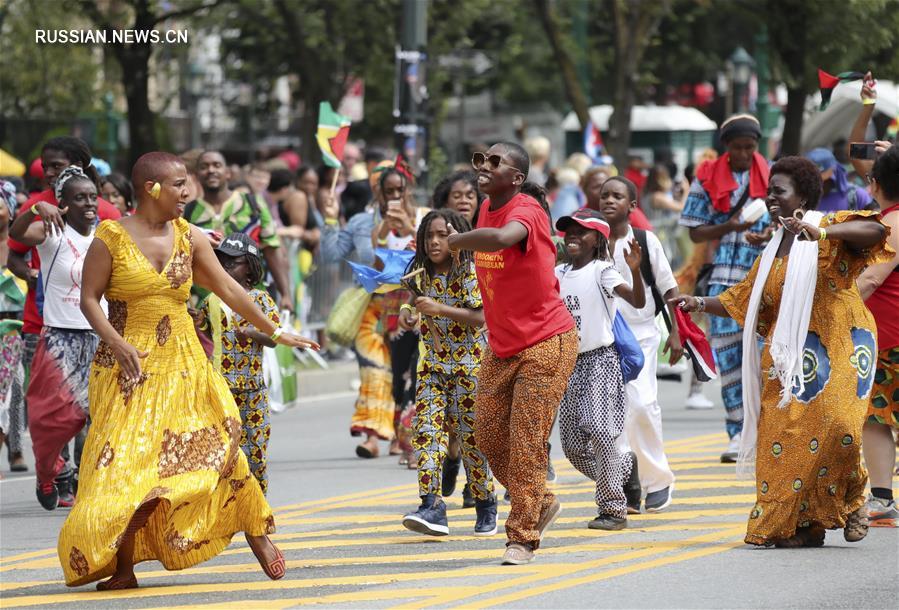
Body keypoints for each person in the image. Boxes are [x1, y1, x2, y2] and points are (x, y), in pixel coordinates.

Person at [57, 152, 319, 590]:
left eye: (187, 183)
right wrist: (118, 344)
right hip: (128, 370)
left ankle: (258, 536)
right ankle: (124, 568)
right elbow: (89, 299)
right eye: (178, 184)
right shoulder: (111, 237)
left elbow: (230, 288)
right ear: (150, 189)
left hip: (184, 363)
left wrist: (276, 331)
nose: (187, 192)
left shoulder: (190, 236)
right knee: (125, 466)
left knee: (219, 447)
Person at [673, 156, 889, 547]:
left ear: (803, 195)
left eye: (779, 191)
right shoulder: (773, 248)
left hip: (840, 346)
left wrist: (822, 232)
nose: (770, 197)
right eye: (768, 190)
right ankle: (803, 525)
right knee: (786, 438)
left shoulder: (828, 225)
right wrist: (699, 303)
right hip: (789, 361)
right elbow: (742, 298)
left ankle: (854, 496)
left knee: (837, 426)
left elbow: (875, 230)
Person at [447, 142, 577, 566]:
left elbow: (504, 239)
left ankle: (521, 537)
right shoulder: (485, 209)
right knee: (486, 435)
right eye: (480, 160)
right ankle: (539, 500)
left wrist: (457, 239)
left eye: (494, 162)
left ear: (517, 178)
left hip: (546, 341)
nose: (483, 167)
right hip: (502, 344)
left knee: (525, 441)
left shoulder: (527, 210)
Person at [5, 137, 121, 477]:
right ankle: (55, 468)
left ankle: (80, 472)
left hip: (97, 328)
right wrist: (27, 271)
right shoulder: (41, 206)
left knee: (88, 408)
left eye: (55, 166)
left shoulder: (106, 215)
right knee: (53, 408)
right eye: (46, 166)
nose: (47, 172)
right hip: (43, 323)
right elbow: (14, 245)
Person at [398, 208, 497, 536]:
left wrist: (439, 309)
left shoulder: (468, 271)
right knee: (425, 432)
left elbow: (480, 317)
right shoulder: (420, 273)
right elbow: (413, 302)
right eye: (430, 236)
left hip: (469, 369)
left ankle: (485, 503)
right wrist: (407, 313)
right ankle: (432, 505)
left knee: (471, 440)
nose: (435, 241)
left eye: (443, 235)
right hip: (431, 369)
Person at [678, 114, 772, 462]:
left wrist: (767, 233)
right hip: (722, 282)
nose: (745, 153)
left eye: (750, 147)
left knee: (764, 361)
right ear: (726, 147)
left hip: (764, 279)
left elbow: (787, 218)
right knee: (730, 362)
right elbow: (694, 232)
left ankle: (764, 431)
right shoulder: (705, 180)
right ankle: (736, 434)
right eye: (737, 148)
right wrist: (729, 226)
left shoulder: (774, 175)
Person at [9, 166, 102, 509]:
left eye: (93, 196)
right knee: (52, 422)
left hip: (99, 337)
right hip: (60, 339)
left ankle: (88, 483)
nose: (89, 204)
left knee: (98, 415)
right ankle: (48, 473)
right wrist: (35, 209)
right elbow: (16, 236)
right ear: (63, 203)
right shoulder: (53, 232)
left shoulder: (107, 235)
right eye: (80, 198)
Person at [554, 208, 645, 530]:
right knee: (573, 447)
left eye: (582, 231)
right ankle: (623, 471)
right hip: (567, 364)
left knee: (603, 433)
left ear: (598, 240)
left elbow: (635, 299)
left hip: (600, 360)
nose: (573, 236)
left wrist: (635, 271)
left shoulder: (602, 271)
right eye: (569, 231)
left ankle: (613, 509)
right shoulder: (559, 274)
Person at [601, 177, 682, 514]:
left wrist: (677, 332)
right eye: (604, 195)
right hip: (602, 337)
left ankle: (658, 480)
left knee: (642, 404)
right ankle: (625, 482)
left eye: (617, 196)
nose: (609, 201)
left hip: (642, 335)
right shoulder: (592, 241)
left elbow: (669, 289)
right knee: (608, 415)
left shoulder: (646, 241)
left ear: (632, 205)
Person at [197, 233, 280, 495]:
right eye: (221, 262)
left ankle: (257, 509)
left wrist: (254, 332)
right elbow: (203, 333)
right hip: (222, 390)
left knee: (255, 453)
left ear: (251, 266)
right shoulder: (210, 300)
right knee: (226, 455)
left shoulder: (261, 300)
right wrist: (194, 320)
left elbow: (275, 337)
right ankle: (226, 511)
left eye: (233, 263)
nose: (226, 267)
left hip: (253, 391)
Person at [184, 151, 293, 312]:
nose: (211, 170)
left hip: (251, 300)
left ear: (227, 173)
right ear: (196, 176)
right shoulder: (188, 212)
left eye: (217, 165)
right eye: (204, 167)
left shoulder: (252, 204)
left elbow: (271, 249)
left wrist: (285, 294)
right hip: (207, 303)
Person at [857, 145, 899, 527]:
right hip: (888, 338)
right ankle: (882, 499)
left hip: (891, 339)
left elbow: (872, 277)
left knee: (876, 416)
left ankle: (883, 499)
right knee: (877, 415)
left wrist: (837, 306)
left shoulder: (894, 223)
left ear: (876, 184)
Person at [643, 165, 689, 269]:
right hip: (660, 234)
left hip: (655, 232)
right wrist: (686, 190)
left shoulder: (647, 194)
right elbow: (681, 207)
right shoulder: (657, 196)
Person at [805, 148, 874, 213]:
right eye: (813, 182)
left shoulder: (856, 196)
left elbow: (875, 223)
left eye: (823, 182)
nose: (818, 186)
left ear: (834, 176)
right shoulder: (804, 202)